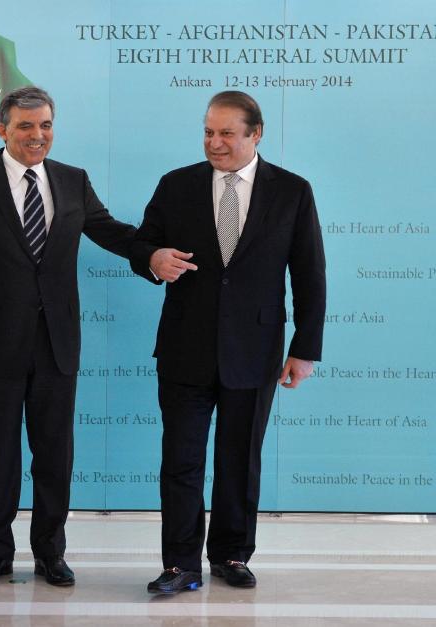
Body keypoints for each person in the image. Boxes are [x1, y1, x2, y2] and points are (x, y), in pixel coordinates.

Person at [0, 86, 146, 587]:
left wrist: (151, 254)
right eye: (26, 126)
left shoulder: (72, 181)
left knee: (54, 455)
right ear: (2, 129)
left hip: (57, 344)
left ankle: (50, 552)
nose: (37, 135)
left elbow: (111, 231)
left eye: (45, 125)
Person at [131, 91, 326, 594]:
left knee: (240, 459)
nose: (214, 143)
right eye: (208, 132)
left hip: (255, 349)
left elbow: (309, 274)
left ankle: (231, 555)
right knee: (181, 460)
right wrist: (152, 259)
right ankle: (179, 564)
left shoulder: (292, 191)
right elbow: (141, 243)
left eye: (226, 134)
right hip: (184, 348)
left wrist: (304, 349)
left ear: (256, 134)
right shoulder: (176, 185)